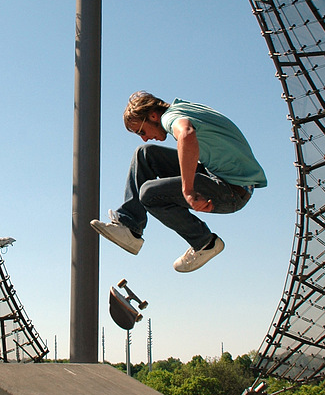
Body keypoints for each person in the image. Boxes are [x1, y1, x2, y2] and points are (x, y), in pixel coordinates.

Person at [91, 92, 267, 272]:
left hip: (231, 191)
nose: (144, 137)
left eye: (141, 131)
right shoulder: (182, 108)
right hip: (219, 176)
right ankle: (130, 228)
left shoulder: (170, 118)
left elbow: (186, 134)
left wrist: (188, 190)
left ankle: (205, 243)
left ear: (153, 115)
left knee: (150, 194)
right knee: (145, 154)